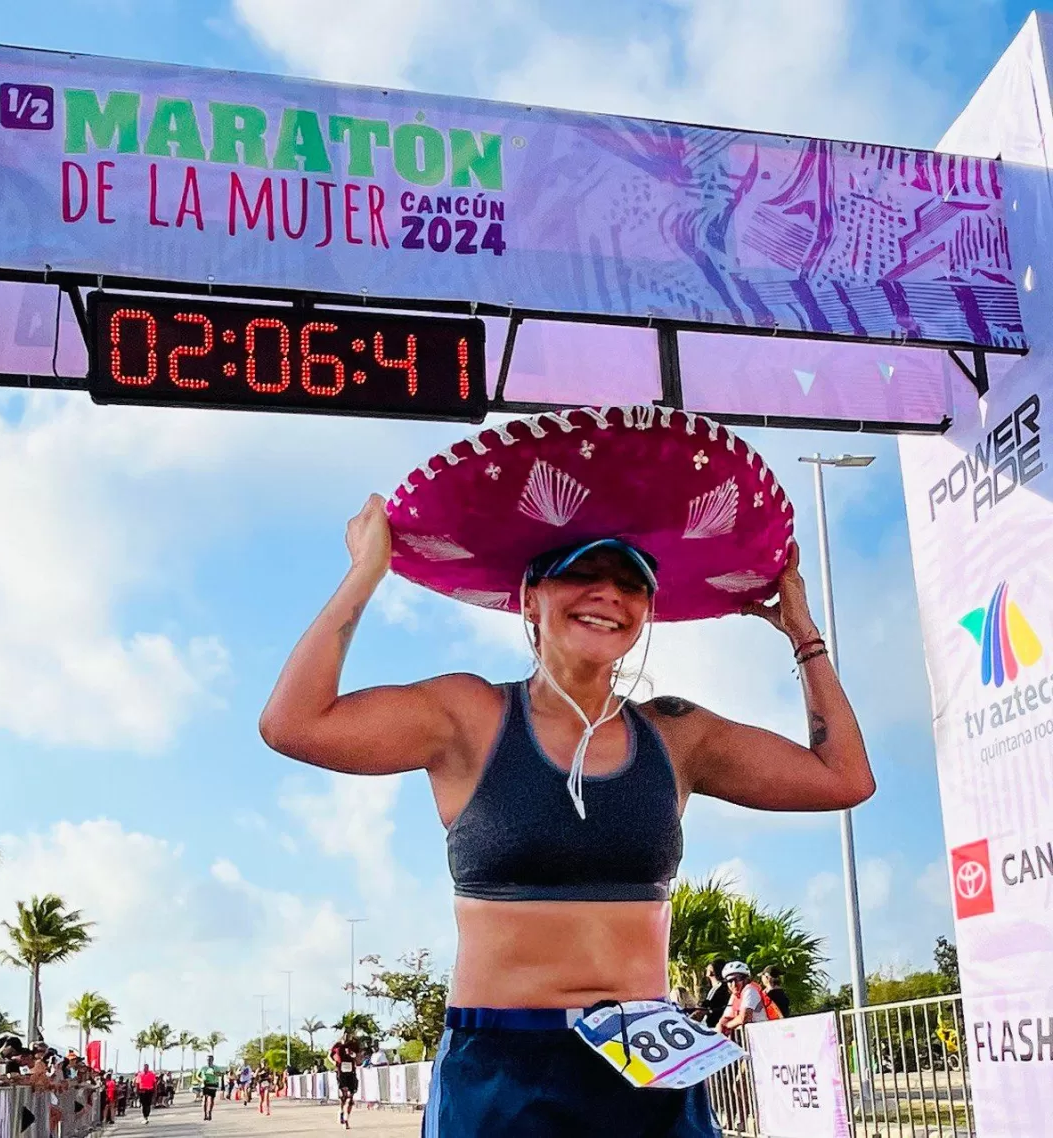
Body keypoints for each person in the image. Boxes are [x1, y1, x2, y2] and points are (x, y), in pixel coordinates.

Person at [259, 411, 873, 1137]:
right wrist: (367, 573)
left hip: (649, 1071)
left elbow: (843, 779)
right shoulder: (469, 716)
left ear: (648, 609)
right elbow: (293, 723)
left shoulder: (676, 734)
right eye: (581, 571)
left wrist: (802, 632)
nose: (608, 593)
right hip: (502, 1071)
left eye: (631, 581)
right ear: (531, 599)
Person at [717, 962, 778, 1036]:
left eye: (738, 979)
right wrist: (720, 1026)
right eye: (729, 981)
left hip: (764, 1035)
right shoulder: (735, 995)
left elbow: (745, 1017)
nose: (734, 984)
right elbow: (726, 1018)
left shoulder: (750, 990)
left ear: (746, 979)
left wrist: (727, 1026)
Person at [328, 1038, 359, 1130]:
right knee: (344, 1096)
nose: (347, 1036)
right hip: (341, 1073)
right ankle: (341, 1111)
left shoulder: (353, 1045)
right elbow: (329, 1055)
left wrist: (355, 1057)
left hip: (351, 1073)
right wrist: (334, 1062)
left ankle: (346, 1120)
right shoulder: (337, 1045)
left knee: (350, 1097)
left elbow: (358, 1056)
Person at [701, 959, 731, 1029]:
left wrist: (709, 1011)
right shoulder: (714, 987)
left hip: (716, 1023)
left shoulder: (721, 987)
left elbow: (708, 1004)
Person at [197, 1056, 219, 1121]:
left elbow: (219, 1075)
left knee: (211, 1099)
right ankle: (205, 1114)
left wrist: (216, 1076)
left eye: (210, 1060)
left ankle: (209, 1112)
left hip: (213, 1085)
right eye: (207, 1060)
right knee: (205, 1099)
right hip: (205, 1085)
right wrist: (201, 1079)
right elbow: (197, 1075)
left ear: (212, 1060)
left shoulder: (216, 1068)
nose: (208, 1061)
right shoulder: (203, 1068)